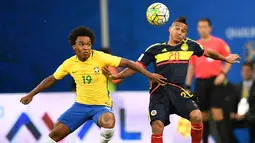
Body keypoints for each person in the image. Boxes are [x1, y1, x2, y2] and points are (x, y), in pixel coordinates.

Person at [102, 17, 240, 143]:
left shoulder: (190, 46)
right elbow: (136, 67)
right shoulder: (155, 49)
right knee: (158, 126)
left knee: (197, 116)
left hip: (178, 92)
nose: (180, 32)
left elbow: (208, 52)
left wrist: (225, 58)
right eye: (177, 28)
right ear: (170, 29)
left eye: (184, 31)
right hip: (159, 93)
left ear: (186, 34)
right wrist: (117, 76)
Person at [19, 26, 166, 143]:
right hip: (80, 106)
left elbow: (128, 62)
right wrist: (31, 94)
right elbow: (52, 79)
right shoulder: (69, 63)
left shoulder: (100, 57)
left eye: (88, 44)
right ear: (74, 47)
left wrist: (149, 75)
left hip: (100, 107)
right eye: (81, 44)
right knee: (55, 134)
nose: (86, 47)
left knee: (109, 123)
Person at [185, 18, 232, 143]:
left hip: (216, 82)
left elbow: (228, 60)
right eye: (200, 27)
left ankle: (223, 140)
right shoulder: (195, 46)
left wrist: (223, 74)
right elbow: (192, 67)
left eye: (205, 26)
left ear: (210, 28)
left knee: (217, 114)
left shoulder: (219, 43)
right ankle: (204, 141)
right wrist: (188, 85)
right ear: (197, 29)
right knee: (202, 115)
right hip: (200, 83)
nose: (203, 29)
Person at [231, 62, 255, 143]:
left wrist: (245, 114)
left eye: (247, 70)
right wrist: (233, 114)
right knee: (224, 123)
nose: (245, 73)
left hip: (251, 115)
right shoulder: (237, 87)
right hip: (238, 116)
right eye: (243, 70)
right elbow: (232, 102)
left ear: (252, 72)